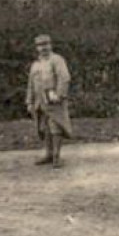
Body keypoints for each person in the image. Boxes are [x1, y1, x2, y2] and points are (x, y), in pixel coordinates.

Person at [27, 34, 73, 168]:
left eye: (46, 45)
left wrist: (59, 95)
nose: (43, 48)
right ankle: (48, 153)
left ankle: (56, 156)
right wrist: (29, 101)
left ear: (50, 45)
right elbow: (30, 84)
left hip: (53, 100)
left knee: (56, 126)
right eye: (40, 46)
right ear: (36, 48)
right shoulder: (35, 65)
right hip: (39, 101)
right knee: (44, 127)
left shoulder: (57, 60)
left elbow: (64, 78)